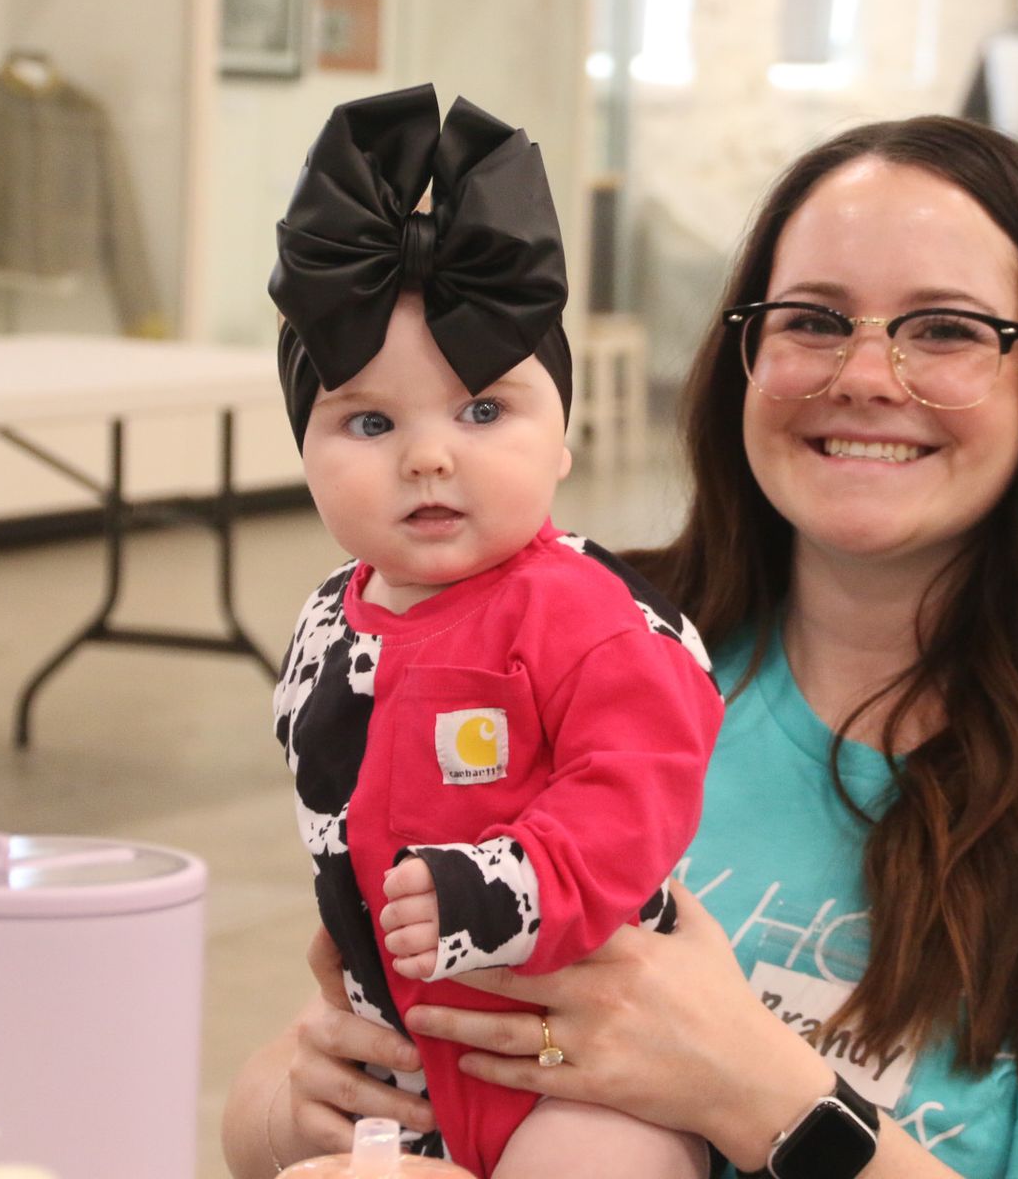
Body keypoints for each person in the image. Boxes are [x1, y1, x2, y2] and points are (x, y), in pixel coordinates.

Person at [227, 111, 1018, 1178]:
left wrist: (757, 1093)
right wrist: (302, 1097)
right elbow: (278, 1092)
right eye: (813, 319)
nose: (867, 375)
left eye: (945, 328)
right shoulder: (555, 639)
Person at [257, 85, 723, 1178]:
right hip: (410, 1054)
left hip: (582, 1053)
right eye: (370, 421)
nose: (428, 456)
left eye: (482, 411)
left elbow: (638, 788)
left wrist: (502, 887)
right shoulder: (331, 617)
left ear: (563, 436)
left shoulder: (589, 614)